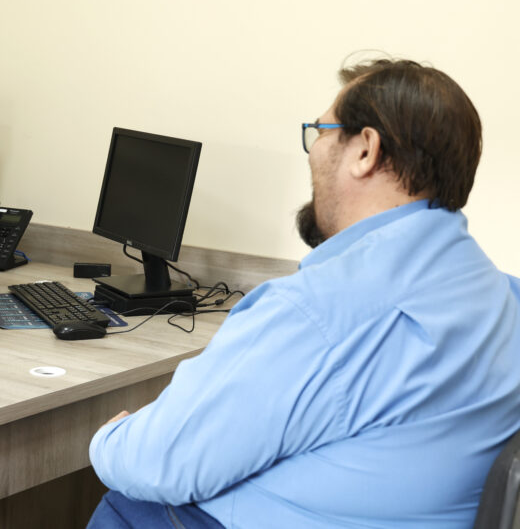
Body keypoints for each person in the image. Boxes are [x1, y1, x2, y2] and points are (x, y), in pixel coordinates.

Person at [87, 59, 520, 528]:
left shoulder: (321, 311)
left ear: (365, 150)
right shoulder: (504, 299)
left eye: (321, 131)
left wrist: (112, 438)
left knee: (128, 499)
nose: (312, 151)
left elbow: (159, 462)